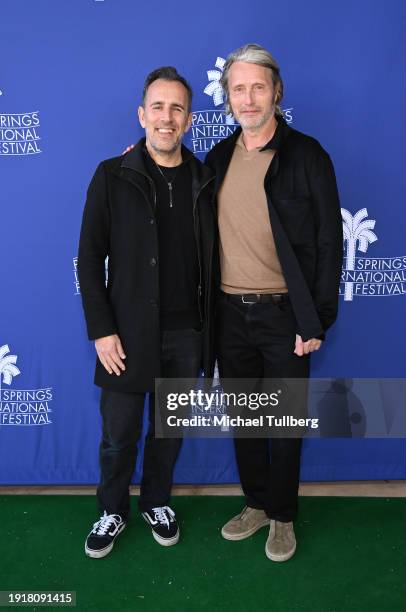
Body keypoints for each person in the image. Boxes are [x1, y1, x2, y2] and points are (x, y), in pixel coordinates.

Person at [205, 44, 343, 562]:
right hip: (228, 313)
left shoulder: (308, 155)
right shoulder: (217, 157)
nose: (248, 97)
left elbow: (330, 244)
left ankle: (283, 516)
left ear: (276, 90)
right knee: (245, 419)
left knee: (284, 424)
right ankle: (256, 504)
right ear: (229, 96)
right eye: (238, 88)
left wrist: (316, 319)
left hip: (286, 315)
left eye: (257, 87)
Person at [78, 67, 216, 558]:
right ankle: (111, 510)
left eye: (177, 107)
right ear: (142, 115)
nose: (166, 117)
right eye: (157, 106)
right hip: (126, 335)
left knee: (168, 432)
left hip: (186, 335)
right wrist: (102, 330)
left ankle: (157, 501)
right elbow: (90, 258)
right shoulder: (111, 175)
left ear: (189, 119)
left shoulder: (205, 180)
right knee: (118, 437)